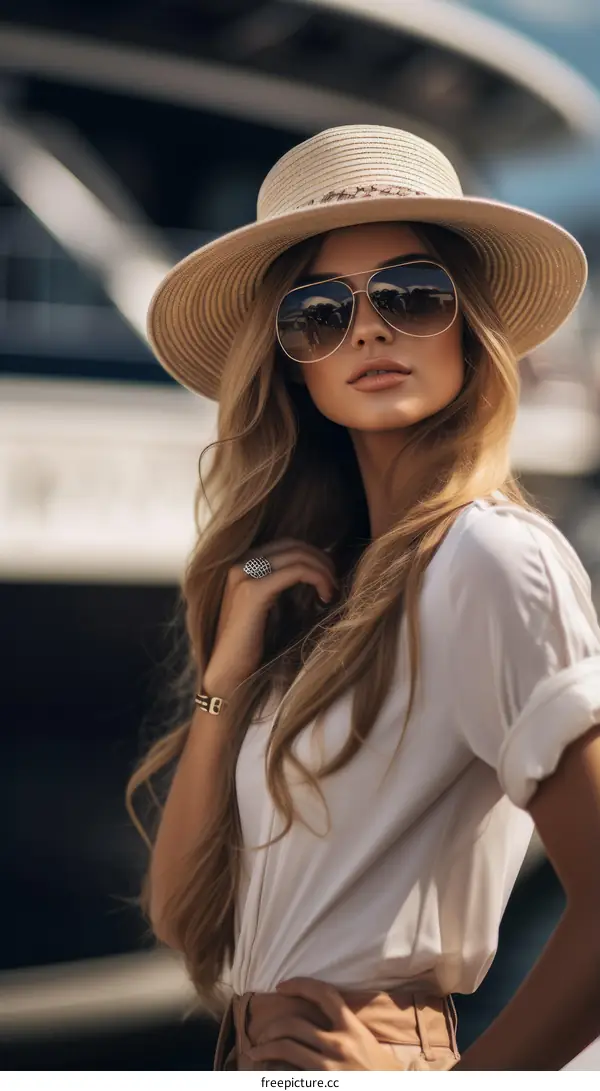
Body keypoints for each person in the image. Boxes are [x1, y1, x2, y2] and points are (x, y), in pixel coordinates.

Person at [126, 125, 600, 1071]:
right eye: (319, 312)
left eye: (412, 296)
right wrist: (225, 678)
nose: (370, 328)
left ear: (470, 325)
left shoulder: (493, 559)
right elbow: (185, 918)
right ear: (291, 362)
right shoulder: (331, 595)